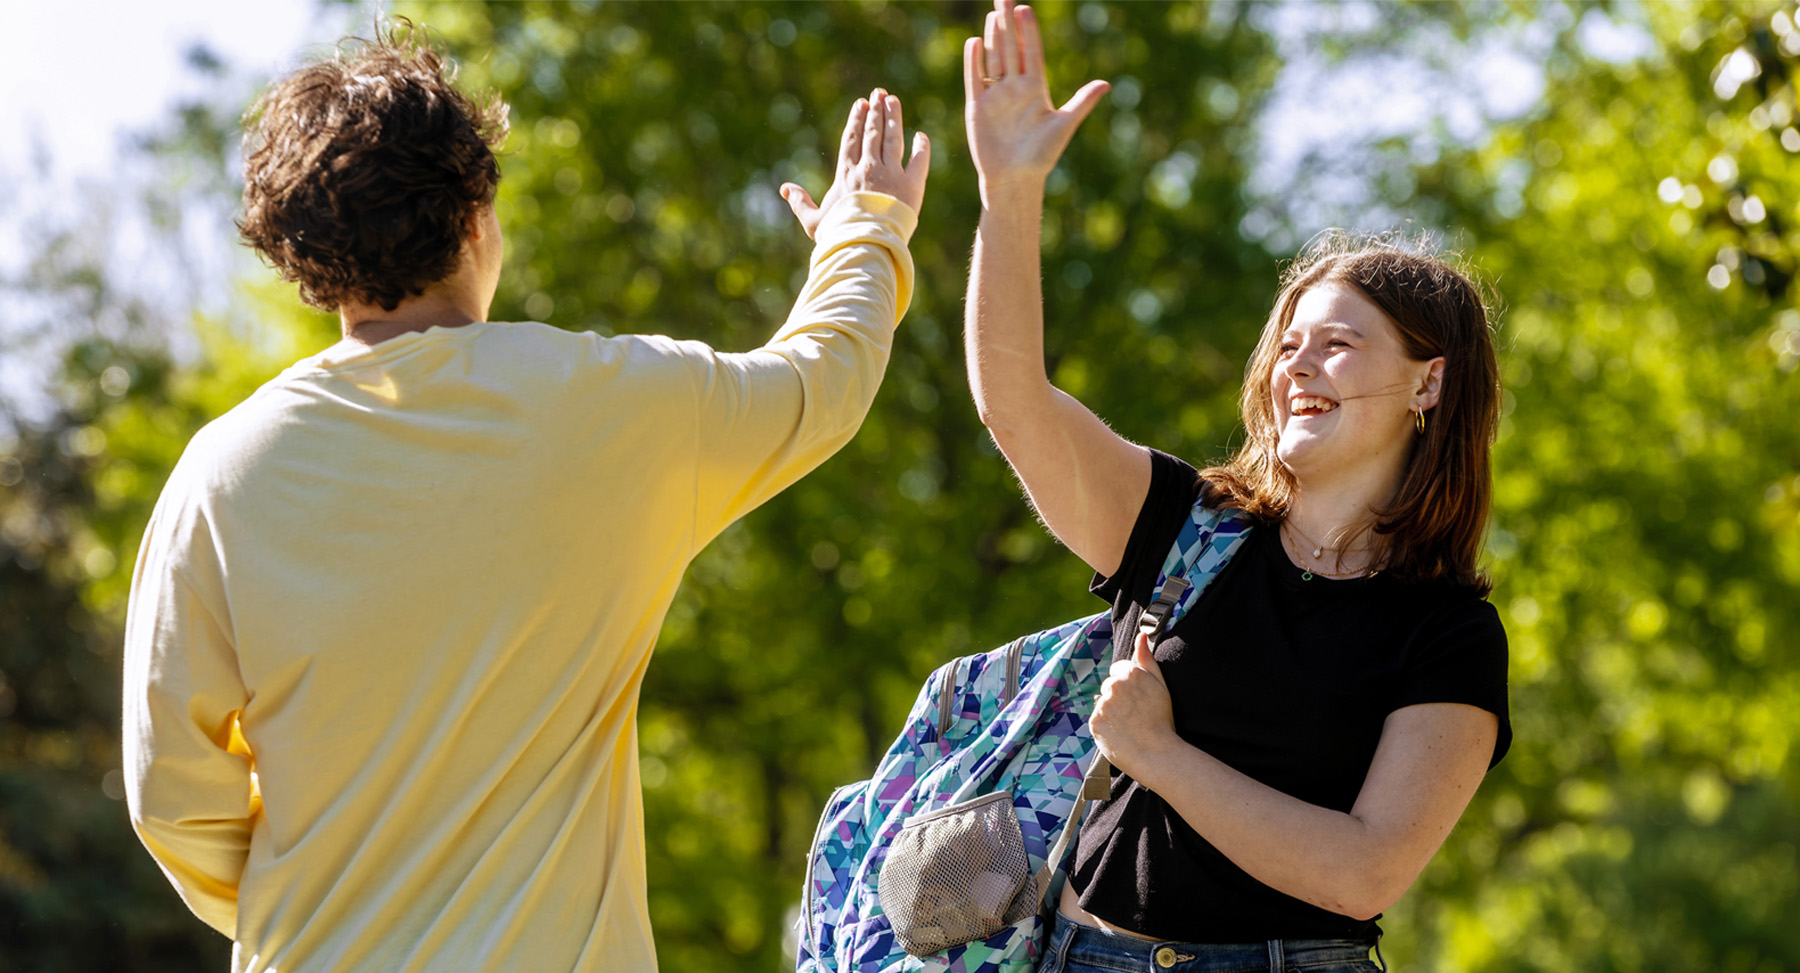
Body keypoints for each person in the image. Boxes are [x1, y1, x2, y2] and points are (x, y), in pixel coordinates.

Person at [122, 22, 929, 973]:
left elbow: (170, 793)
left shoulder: (221, 475)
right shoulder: (613, 404)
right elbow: (820, 378)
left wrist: (307, 897)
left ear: (308, 264)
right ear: (476, 218)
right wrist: (865, 229)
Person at [959, 2, 1510, 970]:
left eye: (1339, 345)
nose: (1301, 366)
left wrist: (1159, 753)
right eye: (1289, 345)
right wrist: (1011, 190)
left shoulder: (1447, 633)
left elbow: (1365, 872)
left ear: (1429, 381)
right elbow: (1015, 402)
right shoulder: (1179, 525)